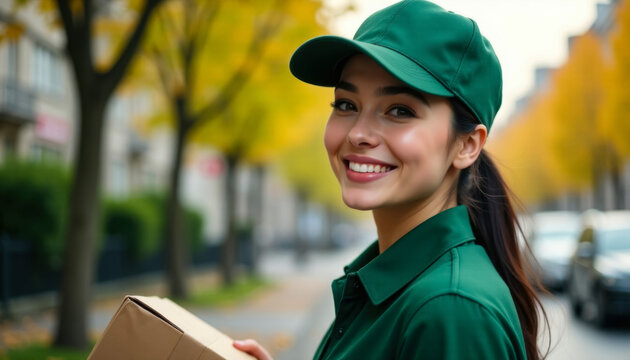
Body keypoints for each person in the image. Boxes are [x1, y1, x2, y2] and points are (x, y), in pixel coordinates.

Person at [234, 1, 549, 359]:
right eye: (346, 104)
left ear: (466, 145)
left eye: (400, 110)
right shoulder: (391, 284)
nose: (358, 133)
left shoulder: (448, 311)